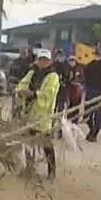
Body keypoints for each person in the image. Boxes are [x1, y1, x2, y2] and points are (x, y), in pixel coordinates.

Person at [16, 49, 61, 178]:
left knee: (46, 144)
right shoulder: (32, 73)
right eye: (40, 59)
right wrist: (20, 92)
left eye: (45, 60)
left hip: (43, 114)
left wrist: (34, 94)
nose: (42, 62)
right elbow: (22, 84)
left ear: (50, 61)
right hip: (29, 112)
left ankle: (51, 172)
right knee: (28, 142)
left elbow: (49, 94)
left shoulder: (53, 76)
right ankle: (29, 168)